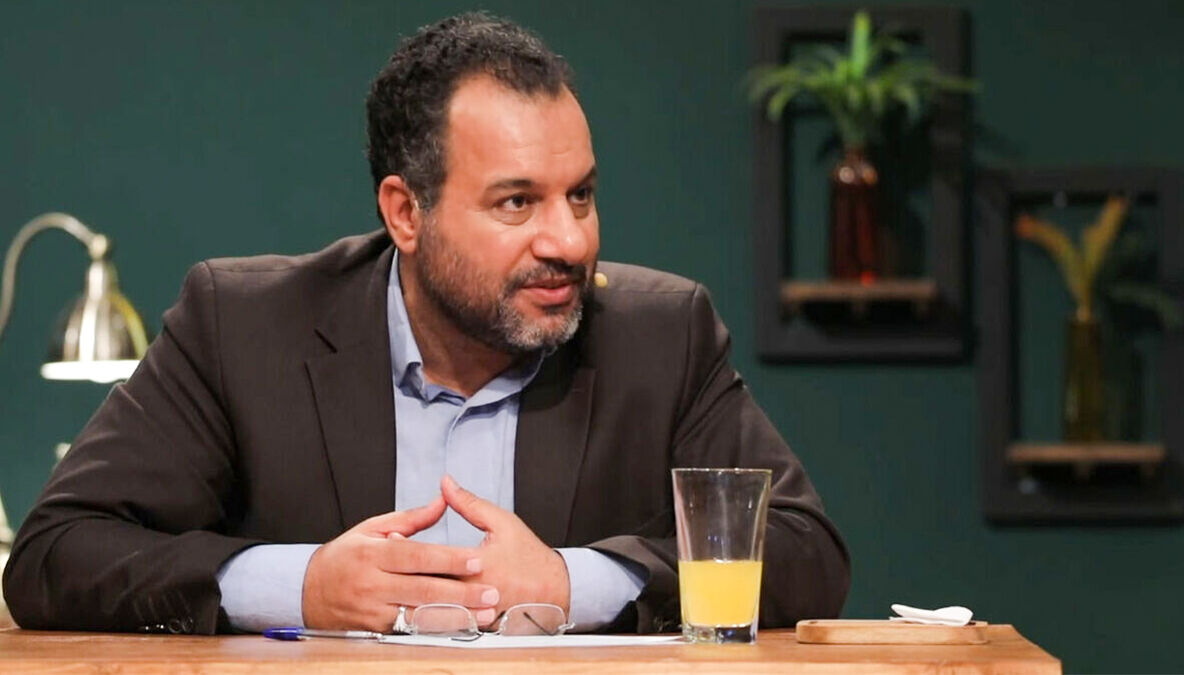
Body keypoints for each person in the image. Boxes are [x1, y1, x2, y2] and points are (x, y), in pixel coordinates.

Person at [2, 12, 849, 635]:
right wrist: (302, 586)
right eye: (517, 202)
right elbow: (56, 552)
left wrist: (572, 582)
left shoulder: (660, 335)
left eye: (581, 195)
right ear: (406, 213)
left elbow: (805, 550)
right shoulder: (243, 326)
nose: (569, 241)